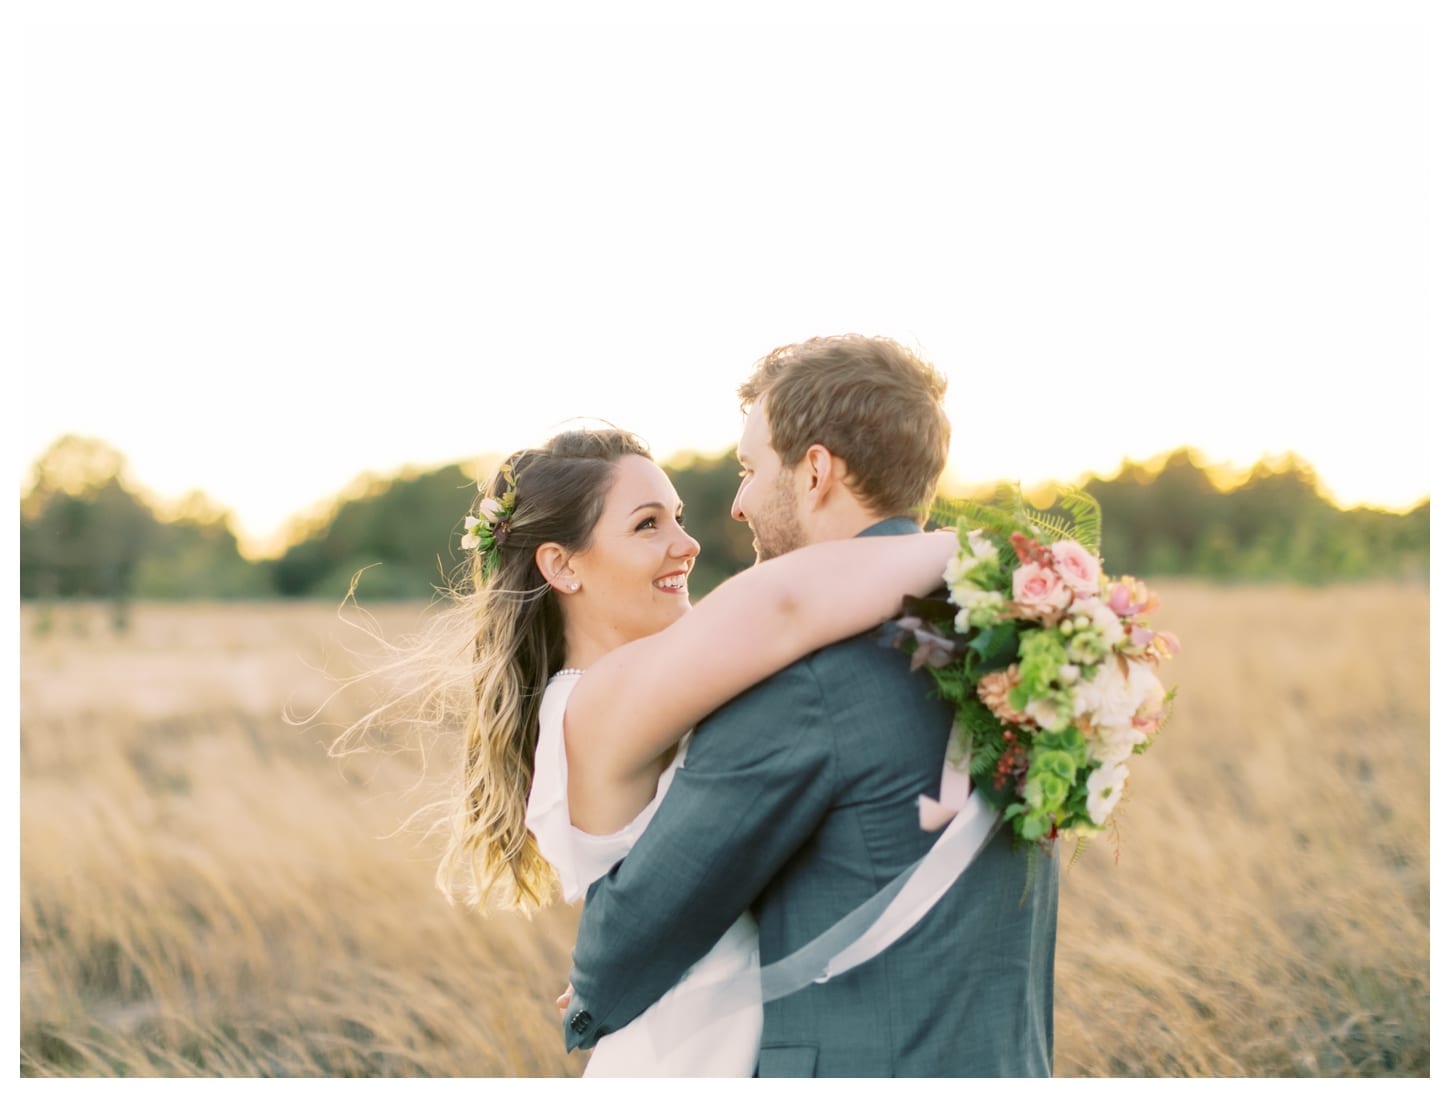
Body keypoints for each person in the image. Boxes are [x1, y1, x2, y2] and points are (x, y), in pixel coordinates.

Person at [562, 335, 1060, 1077]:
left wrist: (587, 996)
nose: (737, 502)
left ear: (816, 472)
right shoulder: (1016, 643)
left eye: (750, 469)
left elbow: (635, 930)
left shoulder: (808, 681)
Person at [420, 424, 961, 1076]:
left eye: (676, 517)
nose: (688, 543)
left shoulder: (634, 693)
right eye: (648, 525)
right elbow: (782, 606)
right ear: (562, 566)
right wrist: (989, 555)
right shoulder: (595, 702)